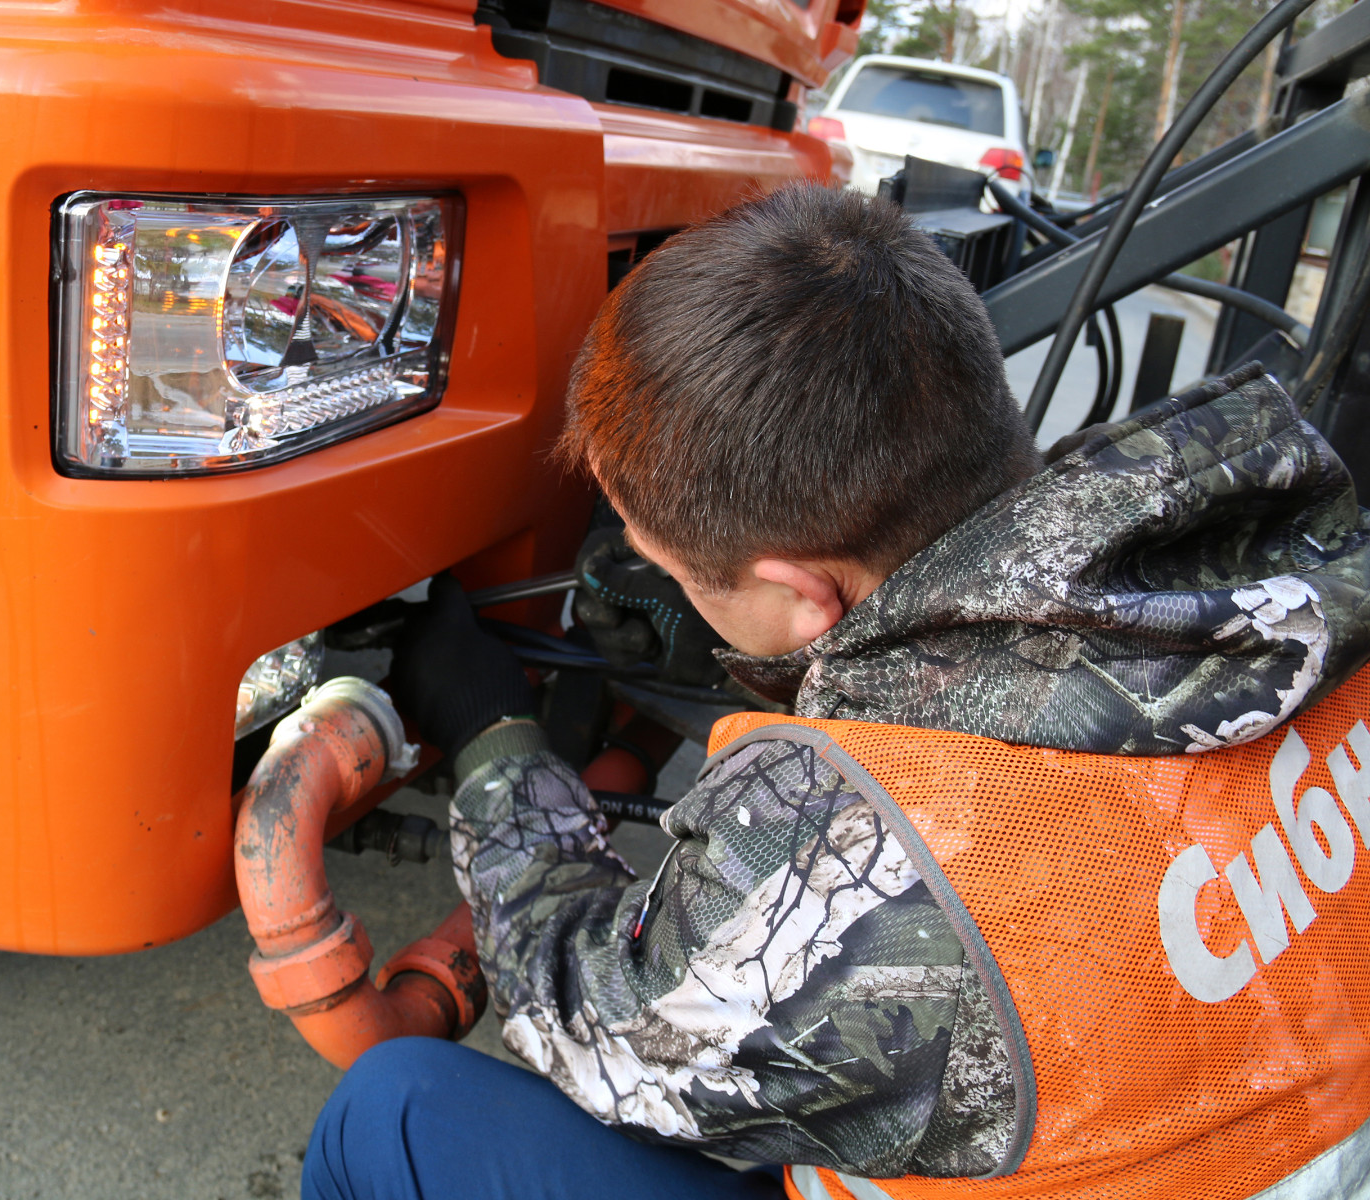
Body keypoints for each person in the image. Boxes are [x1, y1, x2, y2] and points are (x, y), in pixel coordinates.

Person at [302, 184, 1370, 1200]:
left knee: (391, 1114)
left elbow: (595, 1023)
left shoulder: (875, 871)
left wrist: (492, 741)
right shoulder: (1292, 558)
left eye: (670, 570)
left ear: (804, 592)